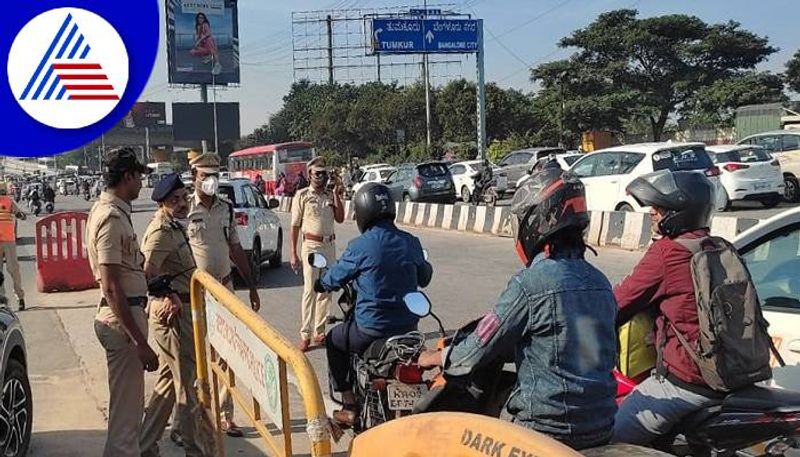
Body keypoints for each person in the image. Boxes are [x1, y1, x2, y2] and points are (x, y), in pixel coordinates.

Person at [417, 168, 618, 450]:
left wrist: (436, 356)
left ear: (537, 220)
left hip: (545, 431)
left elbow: (475, 351)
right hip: (601, 426)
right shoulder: (600, 282)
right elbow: (583, 349)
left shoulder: (530, 284)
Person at [612, 170, 723, 445]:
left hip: (687, 382)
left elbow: (616, 304)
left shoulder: (667, 253)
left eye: (659, 208)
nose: (652, 213)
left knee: (609, 440)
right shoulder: (717, 247)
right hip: (731, 375)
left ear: (678, 212)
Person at [316, 183, 432, 427]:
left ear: (362, 212)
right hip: (408, 331)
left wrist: (321, 283)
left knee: (334, 341)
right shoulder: (410, 242)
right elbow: (425, 277)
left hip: (370, 330)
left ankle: (348, 405)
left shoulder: (361, 246)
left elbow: (334, 277)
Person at [86, 148, 159, 457]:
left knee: (126, 411)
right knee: (126, 421)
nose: (141, 184)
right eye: (138, 177)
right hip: (122, 318)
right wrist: (139, 341)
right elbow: (112, 286)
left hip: (125, 313)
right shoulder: (111, 217)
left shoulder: (112, 211)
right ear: (127, 177)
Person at [186, 152, 261, 437]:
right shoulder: (184, 209)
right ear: (194, 177)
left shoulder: (226, 209)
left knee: (225, 352)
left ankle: (226, 414)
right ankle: (195, 414)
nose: (211, 182)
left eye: (214, 176)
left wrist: (251, 285)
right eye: (205, 176)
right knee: (195, 355)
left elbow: (235, 249)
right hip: (197, 292)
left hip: (225, 288)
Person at [139, 174, 203, 457]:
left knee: (168, 382)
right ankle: (195, 449)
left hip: (184, 310)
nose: (181, 204)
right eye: (174, 200)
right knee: (186, 384)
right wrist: (167, 295)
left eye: (183, 198)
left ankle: (143, 444)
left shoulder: (174, 226)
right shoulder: (161, 231)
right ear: (163, 203)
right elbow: (146, 271)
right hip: (174, 315)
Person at [289, 158, 345, 352]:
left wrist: (337, 194)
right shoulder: (302, 196)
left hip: (329, 245)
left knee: (326, 289)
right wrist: (293, 253)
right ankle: (305, 334)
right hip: (311, 245)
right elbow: (295, 226)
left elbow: (340, 218)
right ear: (309, 174)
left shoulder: (330, 194)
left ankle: (319, 331)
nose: (320, 177)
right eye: (316, 173)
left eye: (323, 173)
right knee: (310, 289)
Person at [0, 182, 27, 310]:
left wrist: (19, 215)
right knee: (13, 270)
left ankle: (20, 297)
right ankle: (2, 299)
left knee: (13, 270)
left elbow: (21, 215)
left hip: (8, 240)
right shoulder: (9, 201)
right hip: (7, 240)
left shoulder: (9, 202)